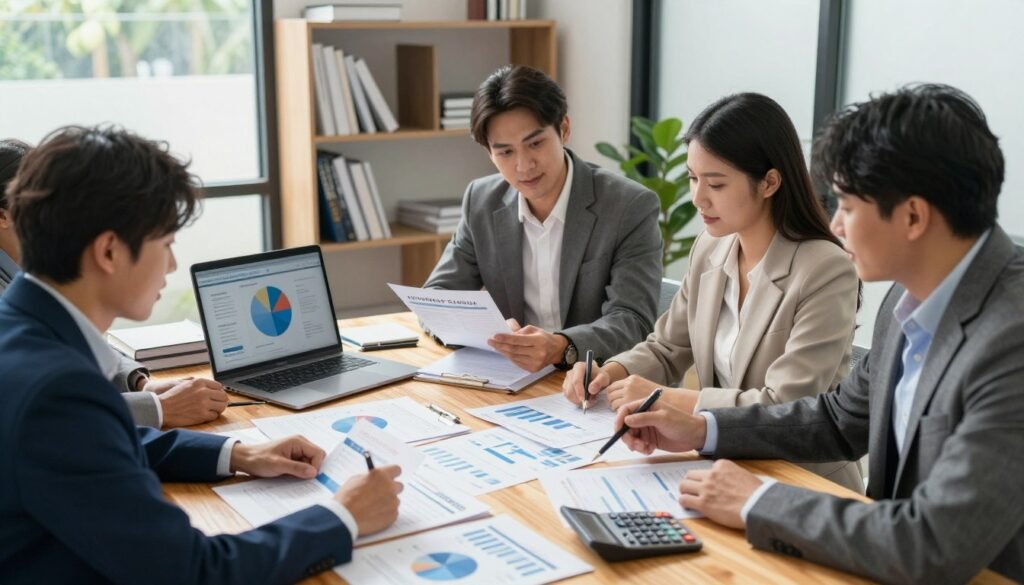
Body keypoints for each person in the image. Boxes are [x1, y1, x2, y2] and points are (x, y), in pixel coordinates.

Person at [614, 84, 1024, 583]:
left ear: (914, 216)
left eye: (848, 206)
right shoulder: (906, 297)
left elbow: (935, 542)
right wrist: (700, 429)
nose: (835, 224)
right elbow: (839, 419)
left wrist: (759, 499)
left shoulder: (1012, 338)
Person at [0, 125, 403, 584]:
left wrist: (239, 453)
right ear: (109, 250)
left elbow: (94, 445)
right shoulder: (57, 389)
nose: (171, 266)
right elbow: (192, 571)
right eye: (166, 245)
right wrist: (343, 516)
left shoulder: (20, 329)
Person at [562, 93, 862, 492]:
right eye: (692, 178)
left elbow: (786, 406)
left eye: (716, 183)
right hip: (720, 466)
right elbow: (667, 347)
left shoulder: (825, 269)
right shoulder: (711, 246)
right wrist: (608, 373)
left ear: (770, 182)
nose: (698, 198)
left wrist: (669, 400)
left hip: (799, 480)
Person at [423, 65, 663, 372]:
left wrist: (560, 347)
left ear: (563, 128)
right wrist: (489, 330)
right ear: (489, 153)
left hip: (595, 379)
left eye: (535, 144)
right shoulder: (481, 201)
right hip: (514, 379)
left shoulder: (629, 206)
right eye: (505, 152)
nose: (524, 166)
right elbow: (437, 297)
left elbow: (633, 319)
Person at [0, 138, 227, 428]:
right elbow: (57, 411)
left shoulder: (36, 278)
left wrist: (140, 383)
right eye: (36, 201)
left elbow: (86, 341)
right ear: (3, 215)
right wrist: (159, 408)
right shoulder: (28, 304)